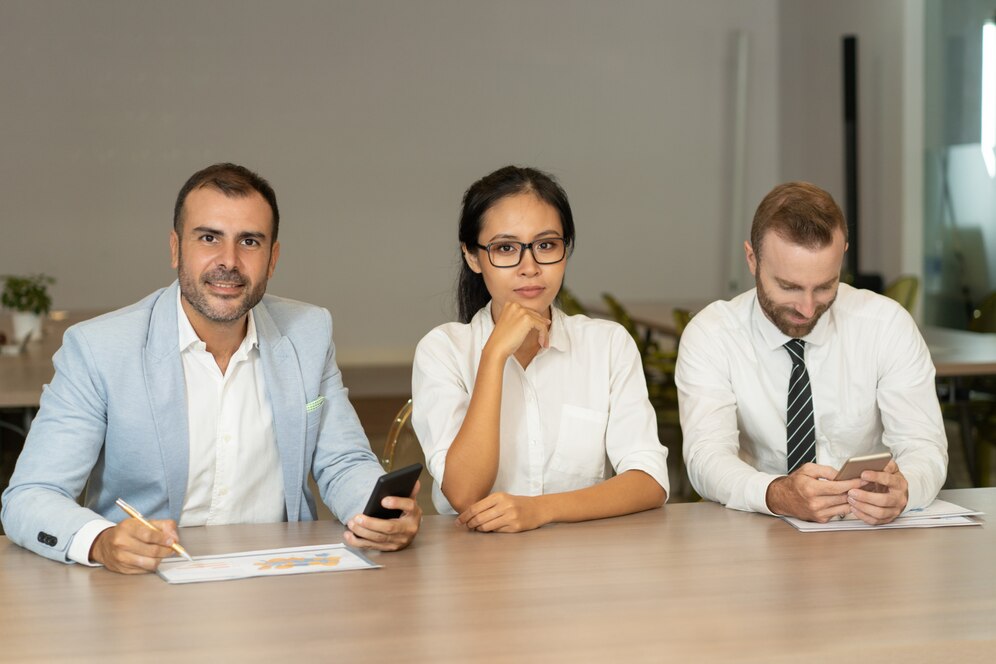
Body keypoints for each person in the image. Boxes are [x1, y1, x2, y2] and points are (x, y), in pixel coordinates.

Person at [1, 163, 420, 572]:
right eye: (208, 238)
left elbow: (343, 462)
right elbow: (31, 495)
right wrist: (99, 542)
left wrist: (378, 516)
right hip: (146, 585)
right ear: (175, 248)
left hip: (280, 578)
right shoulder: (99, 348)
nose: (229, 261)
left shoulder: (307, 334)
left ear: (272, 259)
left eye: (250, 242)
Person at [411, 165, 669, 532]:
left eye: (546, 245)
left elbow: (649, 481)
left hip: (582, 563)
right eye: (505, 248)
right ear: (472, 256)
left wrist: (540, 510)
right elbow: (465, 494)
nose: (529, 267)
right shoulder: (443, 350)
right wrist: (493, 355)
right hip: (476, 566)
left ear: (566, 250)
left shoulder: (608, 345)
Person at [675, 181, 947, 524]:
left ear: (842, 254)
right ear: (751, 259)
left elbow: (924, 445)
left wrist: (906, 489)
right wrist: (776, 493)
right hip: (758, 526)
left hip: (865, 529)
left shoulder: (886, 324)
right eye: (788, 287)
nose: (807, 308)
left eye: (824, 286)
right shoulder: (711, 334)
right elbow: (706, 457)